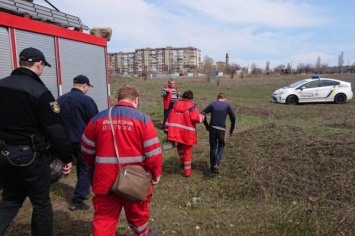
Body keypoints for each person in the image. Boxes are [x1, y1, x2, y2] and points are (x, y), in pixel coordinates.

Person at [0, 47, 73, 236]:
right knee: (41, 204)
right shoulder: (40, 92)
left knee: (10, 200)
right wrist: (66, 157)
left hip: (4, 154)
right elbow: (55, 130)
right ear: (39, 64)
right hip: (30, 157)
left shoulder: (2, 85)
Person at [81, 84, 162, 236]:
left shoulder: (97, 119)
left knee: (104, 218)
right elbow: (153, 152)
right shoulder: (143, 120)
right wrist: (155, 172)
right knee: (138, 214)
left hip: (104, 180)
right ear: (136, 100)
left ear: (117, 99)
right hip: (134, 181)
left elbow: (86, 148)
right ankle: (143, 234)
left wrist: (93, 164)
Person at [57, 75, 98, 211]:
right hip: (82, 141)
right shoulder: (87, 101)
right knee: (84, 168)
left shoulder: (59, 100)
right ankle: (78, 199)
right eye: (87, 87)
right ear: (84, 85)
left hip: (64, 141)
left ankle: (84, 190)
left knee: (78, 166)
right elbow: (94, 122)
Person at [164, 90, 205, 177]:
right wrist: (203, 116)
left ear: (183, 96)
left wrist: (166, 128)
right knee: (187, 152)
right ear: (191, 98)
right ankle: (187, 172)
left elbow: (169, 117)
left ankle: (182, 163)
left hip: (176, 132)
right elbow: (197, 119)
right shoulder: (192, 107)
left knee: (180, 147)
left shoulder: (175, 105)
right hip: (187, 134)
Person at [202, 93, 236, 174]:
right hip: (221, 129)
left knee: (213, 147)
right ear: (225, 98)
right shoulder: (227, 105)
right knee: (221, 145)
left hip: (212, 128)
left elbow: (202, 113)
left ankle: (212, 166)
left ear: (217, 98)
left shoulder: (213, 104)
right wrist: (231, 129)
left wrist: (207, 125)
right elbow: (233, 117)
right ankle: (216, 163)